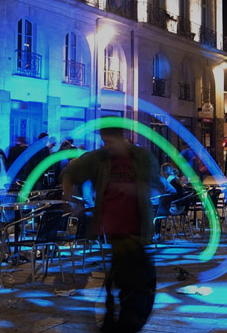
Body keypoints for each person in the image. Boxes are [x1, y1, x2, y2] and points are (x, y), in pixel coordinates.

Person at [61, 123, 162, 333]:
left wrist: (137, 190)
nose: (106, 146)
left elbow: (155, 184)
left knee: (134, 284)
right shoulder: (99, 159)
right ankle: (119, 323)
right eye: (104, 141)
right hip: (115, 232)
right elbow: (70, 173)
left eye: (109, 141)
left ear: (122, 138)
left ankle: (119, 323)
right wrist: (70, 201)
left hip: (138, 231)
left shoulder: (141, 158)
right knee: (128, 283)